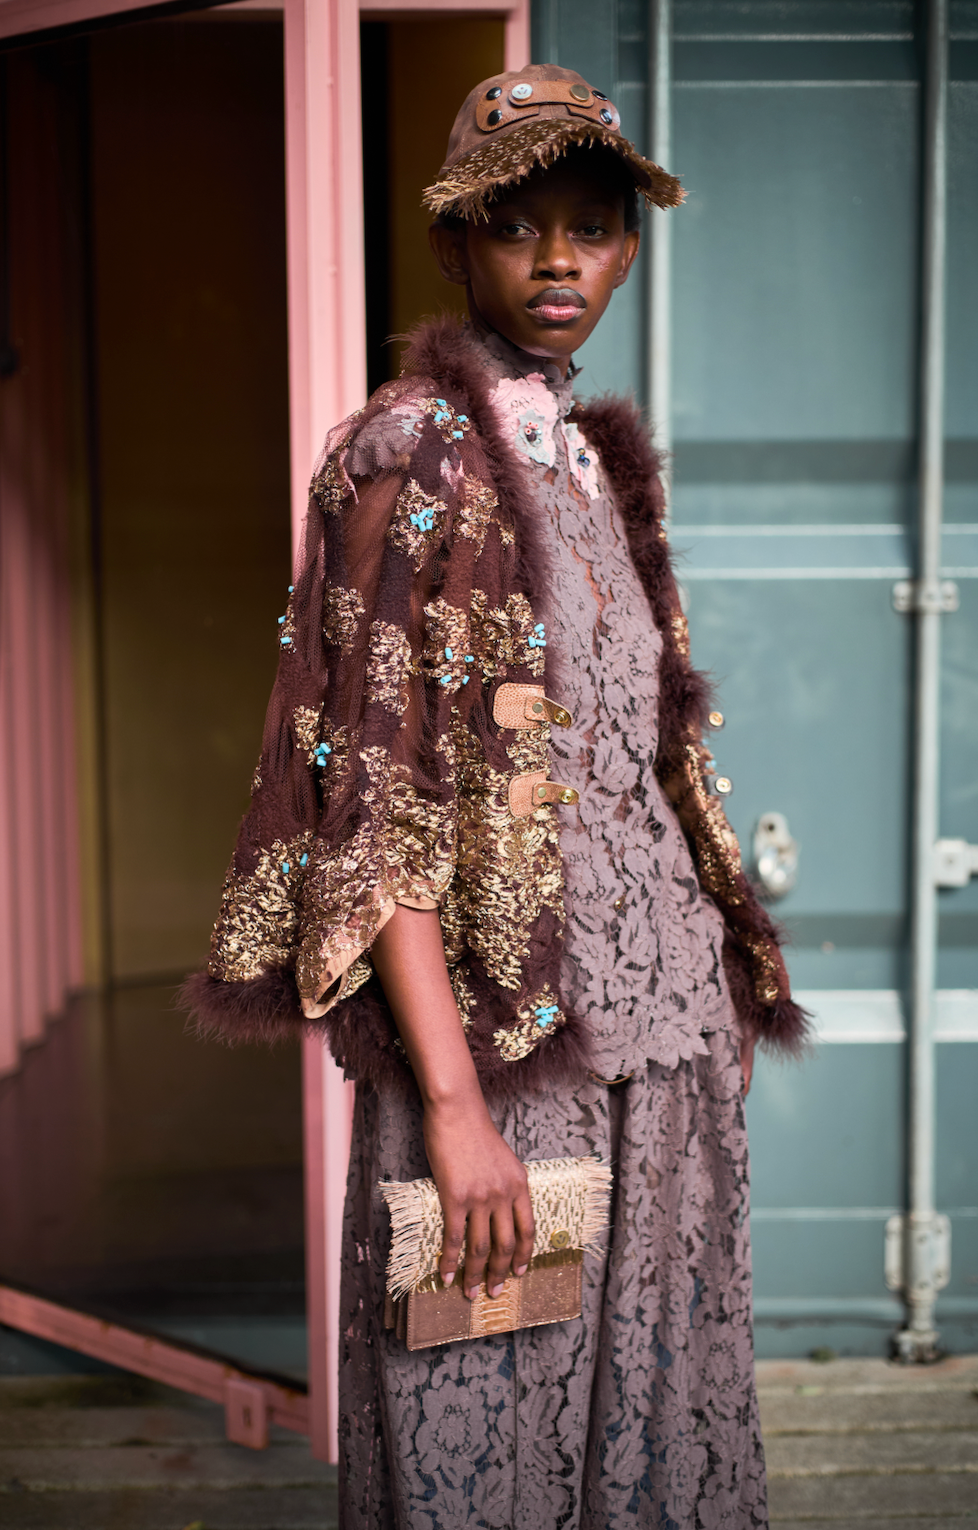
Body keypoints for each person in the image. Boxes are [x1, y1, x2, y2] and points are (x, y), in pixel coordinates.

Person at [185, 62, 807, 1528]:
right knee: (480, 1421)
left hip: (660, 1051)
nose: (555, 261)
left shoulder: (591, 461)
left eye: (589, 227)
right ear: (455, 242)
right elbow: (376, 800)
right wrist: (455, 1106)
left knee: (654, 1419)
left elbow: (635, 755)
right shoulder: (407, 454)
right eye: (517, 225)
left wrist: (712, 990)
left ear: (626, 247)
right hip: (503, 1058)